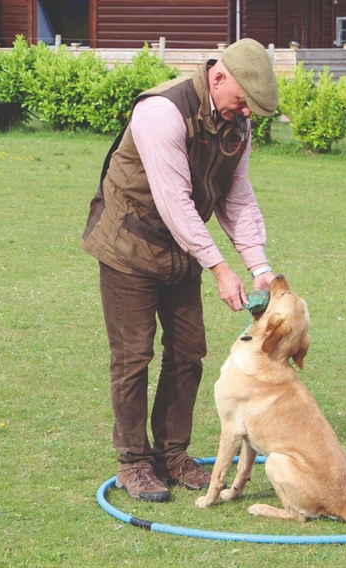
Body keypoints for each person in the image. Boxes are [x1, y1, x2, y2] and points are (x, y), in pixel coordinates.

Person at [81, 38, 280, 502]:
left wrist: (258, 267)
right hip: (129, 242)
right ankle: (133, 462)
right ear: (218, 77)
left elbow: (237, 196)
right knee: (133, 357)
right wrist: (218, 268)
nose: (246, 113)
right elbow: (174, 203)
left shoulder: (236, 123)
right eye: (243, 101)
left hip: (180, 247)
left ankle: (172, 455)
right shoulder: (161, 112)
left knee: (189, 351)